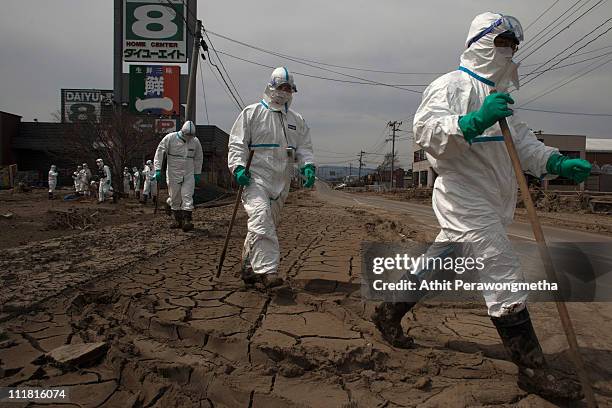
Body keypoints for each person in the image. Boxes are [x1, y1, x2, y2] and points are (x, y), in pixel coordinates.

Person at [371, 13, 591, 401]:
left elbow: (522, 144)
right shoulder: (449, 86)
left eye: (514, 45)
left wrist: (555, 163)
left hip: (493, 199)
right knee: (501, 271)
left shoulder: (503, 98)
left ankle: (388, 312)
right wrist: (472, 121)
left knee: (440, 263)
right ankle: (532, 370)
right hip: (463, 198)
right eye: (504, 42)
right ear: (482, 42)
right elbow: (426, 132)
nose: (510, 51)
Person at [228, 67, 315, 289]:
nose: (284, 92)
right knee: (261, 217)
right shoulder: (252, 113)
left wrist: (308, 166)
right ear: (270, 87)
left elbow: (304, 147)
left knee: (265, 224)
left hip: (281, 181)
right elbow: (237, 143)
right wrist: (238, 167)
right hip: (255, 178)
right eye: (280, 87)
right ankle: (268, 271)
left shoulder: (296, 120)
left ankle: (248, 267)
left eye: (288, 88)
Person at [154, 121, 203, 231]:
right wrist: (158, 169)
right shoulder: (170, 138)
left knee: (187, 196)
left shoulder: (195, 142)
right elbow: (159, 152)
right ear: (183, 132)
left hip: (188, 173)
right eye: (188, 135)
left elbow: (199, 157)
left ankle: (187, 221)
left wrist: (197, 172)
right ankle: (177, 220)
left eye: (192, 136)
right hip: (173, 172)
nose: (189, 138)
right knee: (175, 196)